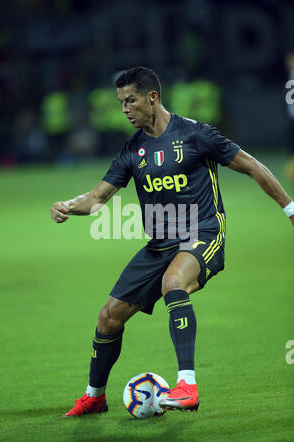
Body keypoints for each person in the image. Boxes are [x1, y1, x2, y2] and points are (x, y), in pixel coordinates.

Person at [50, 66, 294, 417]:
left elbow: (253, 166)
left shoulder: (196, 135)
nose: (124, 109)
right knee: (108, 317)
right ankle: (95, 396)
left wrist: (290, 209)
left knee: (173, 282)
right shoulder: (133, 150)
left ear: (152, 97)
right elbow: (97, 198)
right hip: (160, 245)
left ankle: (187, 386)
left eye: (130, 100)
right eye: (121, 103)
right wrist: (68, 206)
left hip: (203, 233)